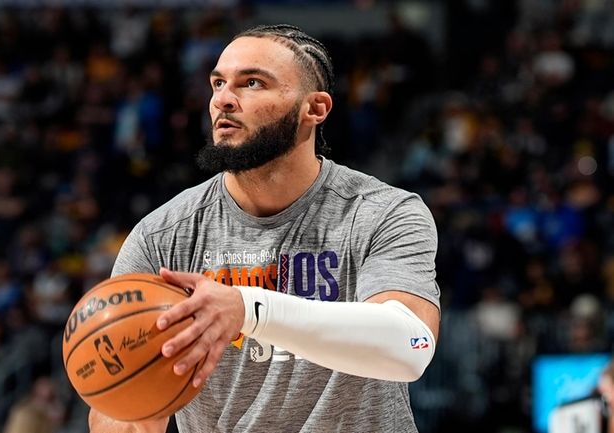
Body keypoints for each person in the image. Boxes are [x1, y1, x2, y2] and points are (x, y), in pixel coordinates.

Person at [89, 24, 440, 433]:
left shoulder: (382, 212)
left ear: (316, 108)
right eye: (218, 83)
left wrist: (247, 308)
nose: (223, 99)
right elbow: (121, 406)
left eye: (252, 82)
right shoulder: (162, 235)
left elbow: (409, 347)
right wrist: (127, 412)